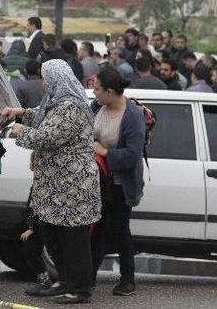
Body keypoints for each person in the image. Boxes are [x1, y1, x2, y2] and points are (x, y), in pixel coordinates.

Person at [2, 59, 101, 304]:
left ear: (57, 79)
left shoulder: (71, 107)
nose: (44, 83)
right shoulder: (55, 103)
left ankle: (80, 289)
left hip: (72, 185)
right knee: (53, 234)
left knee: (72, 238)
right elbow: (43, 116)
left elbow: (48, 137)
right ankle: (63, 281)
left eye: (46, 78)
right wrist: (21, 113)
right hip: (54, 185)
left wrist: (19, 131)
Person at [91, 68, 145, 296]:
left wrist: (104, 152)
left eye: (97, 89)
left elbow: (133, 155)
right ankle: (86, 278)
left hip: (120, 184)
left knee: (120, 230)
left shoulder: (132, 115)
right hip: (97, 180)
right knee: (95, 230)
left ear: (110, 91)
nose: (94, 93)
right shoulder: (96, 108)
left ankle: (127, 279)